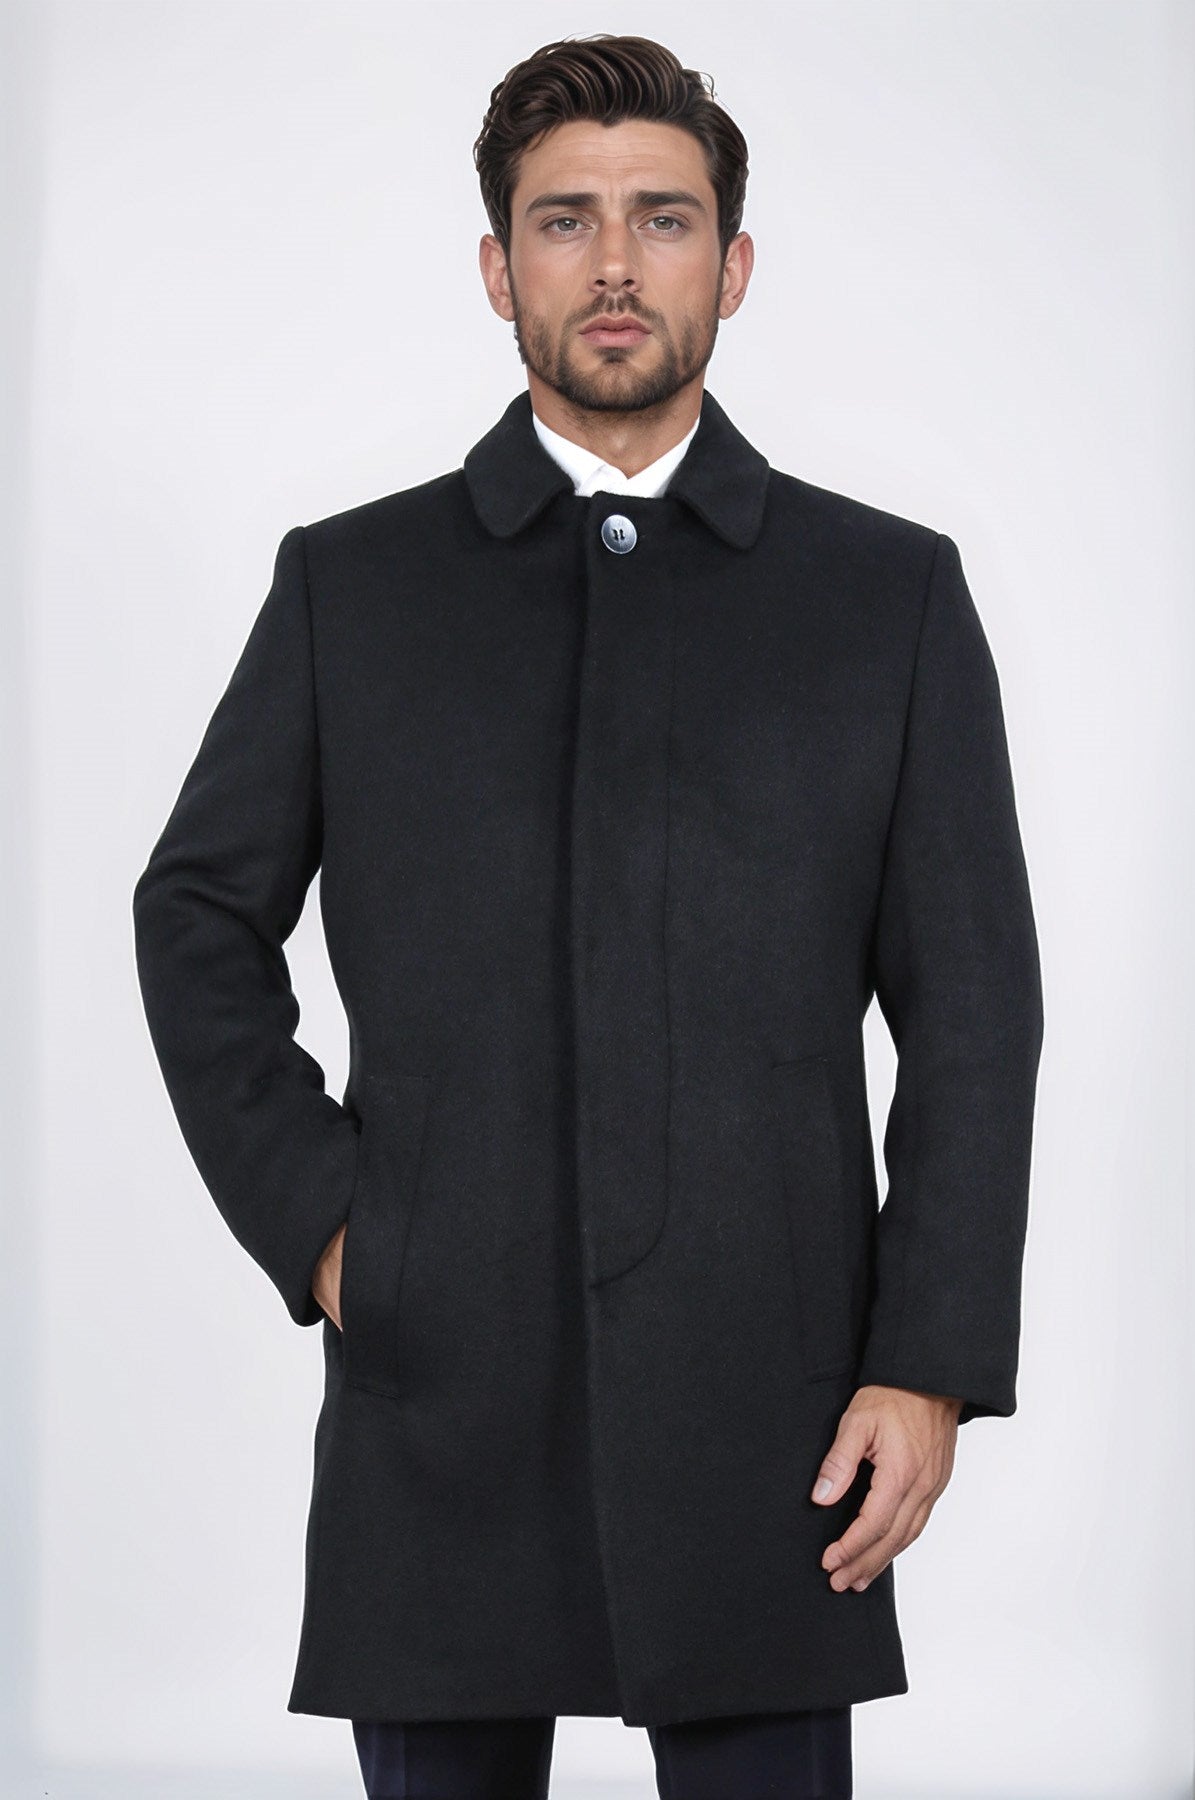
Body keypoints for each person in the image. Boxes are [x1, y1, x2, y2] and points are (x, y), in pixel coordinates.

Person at [132, 31, 1044, 1800]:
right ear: (500, 268)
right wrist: (329, 1231)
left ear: (734, 264)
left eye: (663, 218)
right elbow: (196, 914)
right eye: (565, 220)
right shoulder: (352, 589)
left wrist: (928, 1362)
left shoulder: (889, 600)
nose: (615, 263)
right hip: (442, 1393)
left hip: (774, 1402)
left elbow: (975, 1007)